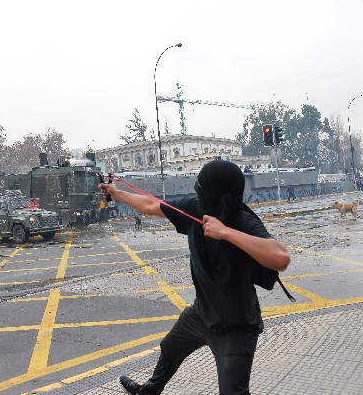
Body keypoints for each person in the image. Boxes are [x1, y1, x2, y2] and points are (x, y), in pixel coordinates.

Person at [99, 160, 290, 395]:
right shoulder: (194, 208)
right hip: (200, 314)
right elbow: (150, 204)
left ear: (216, 193)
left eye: (201, 185)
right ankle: (147, 392)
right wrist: (117, 194)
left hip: (236, 326)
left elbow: (280, 257)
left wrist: (226, 232)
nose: (196, 188)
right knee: (170, 348)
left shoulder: (242, 221)